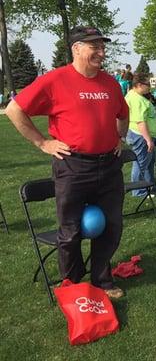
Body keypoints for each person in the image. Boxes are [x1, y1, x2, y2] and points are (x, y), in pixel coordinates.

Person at [5, 26, 129, 299]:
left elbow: (123, 113)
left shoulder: (110, 83)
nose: (101, 51)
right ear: (76, 49)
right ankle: (73, 285)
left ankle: (102, 281)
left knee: (111, 226)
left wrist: (119, 136)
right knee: (70, 230)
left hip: (109, 166)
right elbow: (15, 110)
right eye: (94, 46)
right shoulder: (55, 80)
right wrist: (43, 143)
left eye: (102, 46)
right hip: (73, 166)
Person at [125, 73, 156, 197]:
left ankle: (150, 186)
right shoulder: (137, 99)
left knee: (149, 162)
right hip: (140, 135)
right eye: (148, 84)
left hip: (143, 135)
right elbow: (140, 122)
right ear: (139, 85)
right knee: (141, 162)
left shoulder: (134, 95)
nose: (150, 86)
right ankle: (138, 191)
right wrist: (148, 140)